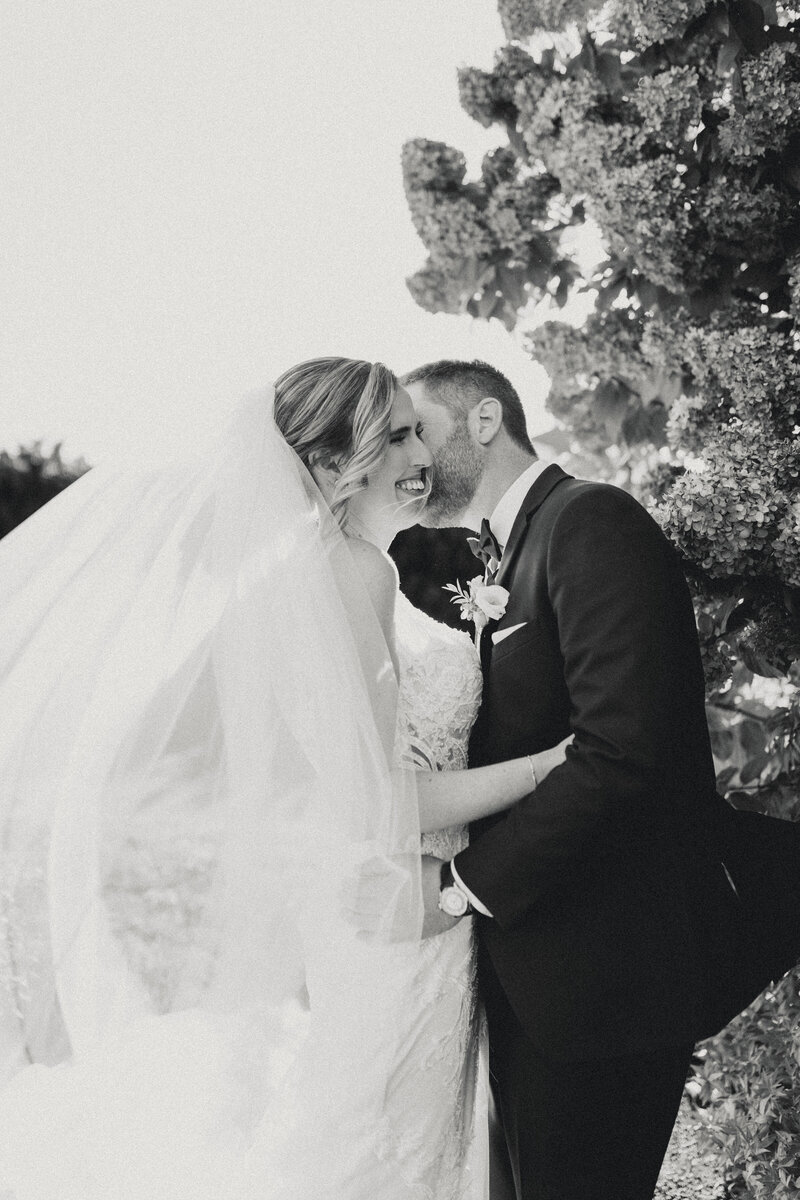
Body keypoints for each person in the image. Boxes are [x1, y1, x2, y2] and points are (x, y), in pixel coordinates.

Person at [0, 357, 568, 1199]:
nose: (422, 453)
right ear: (343, 463)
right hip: (404, 907)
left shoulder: (316, 572)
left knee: (375, 1141)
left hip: (383, 911)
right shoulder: (351, 573)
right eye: (400, 435)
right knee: (380, 1155)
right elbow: (387, 806)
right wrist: (553, 767)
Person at [403, 358, 753, 1200]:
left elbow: (621, 751)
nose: (408, 452)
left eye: (419, 427)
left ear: (484, 420)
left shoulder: (591, 520)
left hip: (609, 981)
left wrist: (457, 887)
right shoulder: (501, 555)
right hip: (535, 980)